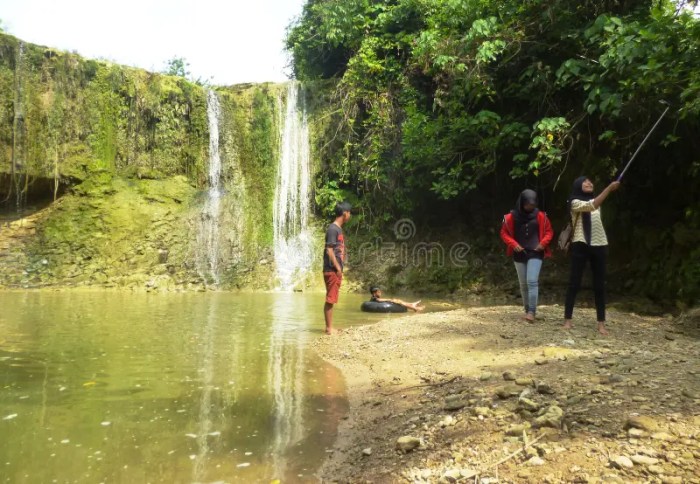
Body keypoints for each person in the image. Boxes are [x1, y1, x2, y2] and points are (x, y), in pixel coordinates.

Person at [563, 176, 620, 335]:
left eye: (590, 182)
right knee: (574, 282)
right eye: (585, 182)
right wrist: (609, 188)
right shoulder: (574, 202)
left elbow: (595, 204)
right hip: (580, 243)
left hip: (599, 243)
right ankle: (568, 319)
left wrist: (606, 192)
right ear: (577, 185)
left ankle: (601, 324)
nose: (589, 183)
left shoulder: (597, 201)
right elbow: (591, 206)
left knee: (600, 285)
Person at [500, 189, 554, 322]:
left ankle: (532, 312)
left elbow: (549, 232)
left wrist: (543, 243)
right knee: (523, 284)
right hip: (519, 252)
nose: (531, 206)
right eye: (528, 204)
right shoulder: (511, 217)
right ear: (522, 202)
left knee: (532, 281)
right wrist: (513, 244)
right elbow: (504, 233)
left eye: (533, 204)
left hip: (536, 251)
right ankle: (526, 310)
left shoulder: (541, 216)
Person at [323, 201, 352, 335]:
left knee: (332, 298)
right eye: (349, 212)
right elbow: (329, 250)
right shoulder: (333, 229)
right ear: (345, 213)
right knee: (330, 299)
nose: (350, 215)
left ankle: (330, 327)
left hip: (335, 269)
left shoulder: (338, 229)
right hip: (331, 269)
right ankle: (329, 329)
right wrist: (337, 268)